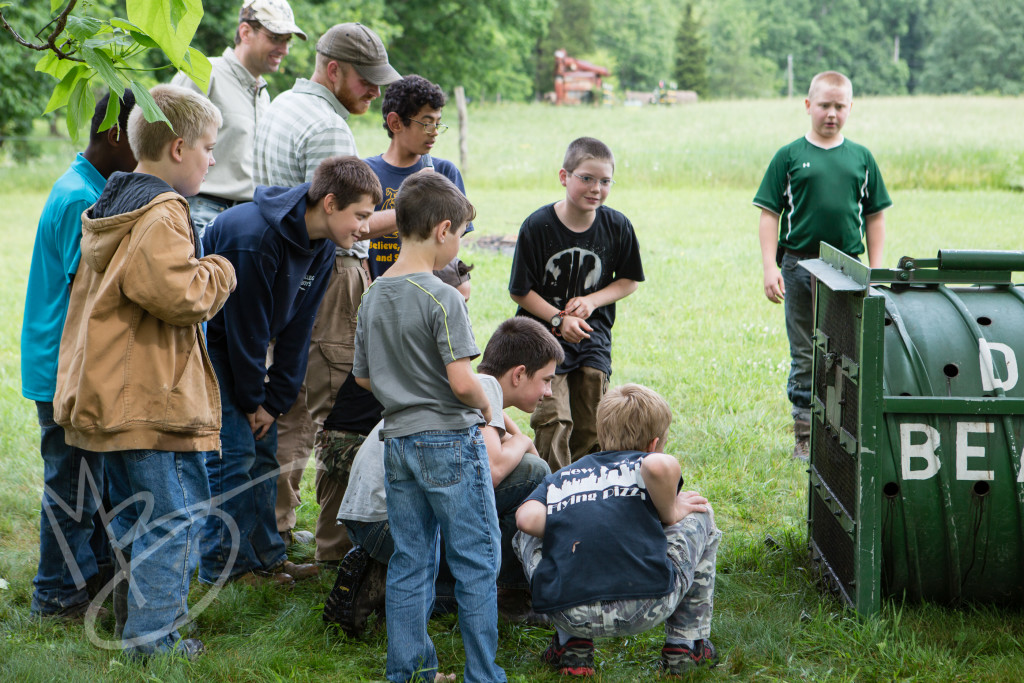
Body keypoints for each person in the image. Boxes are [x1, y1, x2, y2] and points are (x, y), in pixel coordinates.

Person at [53, 84, 236, 658]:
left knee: (138, 522)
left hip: (117, 395)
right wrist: (220, 269)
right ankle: (154, 645)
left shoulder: (118, 201)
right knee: (173, 520)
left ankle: (138, 625)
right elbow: (179, 294)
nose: (213, 159)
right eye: (209, 147)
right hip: (151, 401)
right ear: (178, 148)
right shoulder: (161, 213)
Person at [310, 74, 474, 564]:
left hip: (428, 313)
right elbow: (352, 234)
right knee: (350, 421)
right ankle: (335, 548)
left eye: (438, 124)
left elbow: (454, 244)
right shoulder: (368, 175)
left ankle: (406, 541)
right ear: (394, 122)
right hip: (371, 310)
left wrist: (459, 290)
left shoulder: (442, 170)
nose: (431, 133)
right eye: (424, 122)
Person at [197, 156, 382, 586]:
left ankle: (266, 558)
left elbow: (300, 327)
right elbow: (244, 332)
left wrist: (273, 402)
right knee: (235, 454)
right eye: (361, 216)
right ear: (331, 203)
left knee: (265, 451)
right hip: (214, 345)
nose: (365, 227)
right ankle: (222, 568)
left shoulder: (321, 242)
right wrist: (250, 402)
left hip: (248, 347)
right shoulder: (256, 238)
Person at [253, 22, 401, 552]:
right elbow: (346, 223)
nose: (374, 93)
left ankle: (267, 529)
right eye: (367, 81)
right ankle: (280, 532)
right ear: (334, 69)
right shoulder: (330, 129)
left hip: (283, 269)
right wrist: (412, 211)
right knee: (312, 408)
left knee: (285, 395)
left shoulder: (282, 106)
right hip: (329, 274)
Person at [353, 172, 504, 683]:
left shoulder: (373, 294)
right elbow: (462, 381)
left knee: (411, 561)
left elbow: (363, 375)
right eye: (461, 233)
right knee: (477, 561)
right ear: (443, 230)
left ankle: (410, 673)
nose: (459, 244)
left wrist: (403, 398)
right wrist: (488, 409)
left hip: (397, 442)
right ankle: (484, 674)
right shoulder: (444, 296)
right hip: (448, 441)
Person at [324, 316, 563, 636]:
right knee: (531, 475)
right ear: (519, 374)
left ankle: (383, 577)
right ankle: (507, 595)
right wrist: (524, 442)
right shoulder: (487, 388)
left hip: (373, 520)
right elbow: (497, 471)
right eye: (546, 380)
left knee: (528, 471)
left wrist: (522, 442)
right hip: (391, 523)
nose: (549, 391)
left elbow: (512, 451)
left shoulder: (471, 387)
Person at [514, 384, 722, 677]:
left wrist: (575, 519)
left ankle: (571, 645)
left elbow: (525, 519)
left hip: (568, 610)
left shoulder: (563, 477)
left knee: (527, 534)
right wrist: (672, 511)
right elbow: (660, 465)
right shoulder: (649, 467)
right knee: (701, 512)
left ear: (601, 434)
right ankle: (684, 645)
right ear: (653, 444)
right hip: (647, 603)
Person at [22, 90, 137, 620]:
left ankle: (82, 577)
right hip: (62, 370)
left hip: (73, 367)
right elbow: (82, 297)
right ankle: (56, 594)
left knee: (88, 481)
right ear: (116, 135)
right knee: (71, 487)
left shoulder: (93, 187)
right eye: (143, 144)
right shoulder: (79, 200)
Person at [754, 70, 891, 460]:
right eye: (825, 105)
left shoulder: (861, 158)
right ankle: (804, 433)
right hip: (798, 266)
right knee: (805, 351)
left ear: (850, 108)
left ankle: (841, 430)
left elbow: (876, 216)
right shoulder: (790, 156)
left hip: (848, 269)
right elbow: (769, 213)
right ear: (808, 105)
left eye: (840, 106)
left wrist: (875, 272)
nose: (832, 113)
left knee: (846, 352)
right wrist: (770, 266)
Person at [508, 136, 645, 471]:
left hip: (591, 337)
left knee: (594, 418)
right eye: (586, 178)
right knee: (553, 417)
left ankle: (585, 485)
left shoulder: (617, 226)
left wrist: (592, 300)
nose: (596, 188)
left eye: (605, 181)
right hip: (541, 338)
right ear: (564, 176)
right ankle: (551, 489)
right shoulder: (537, 226)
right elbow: (520, 290)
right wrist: (558, 319)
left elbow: (628, 280)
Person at [171, 0, 305, 236]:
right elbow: (165, 140)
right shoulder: (205, 73)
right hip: (202, 211)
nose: (284, 50)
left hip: (249, 217)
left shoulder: (263, 94)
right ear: (245, 32)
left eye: (287, 42)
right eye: (275, 38)